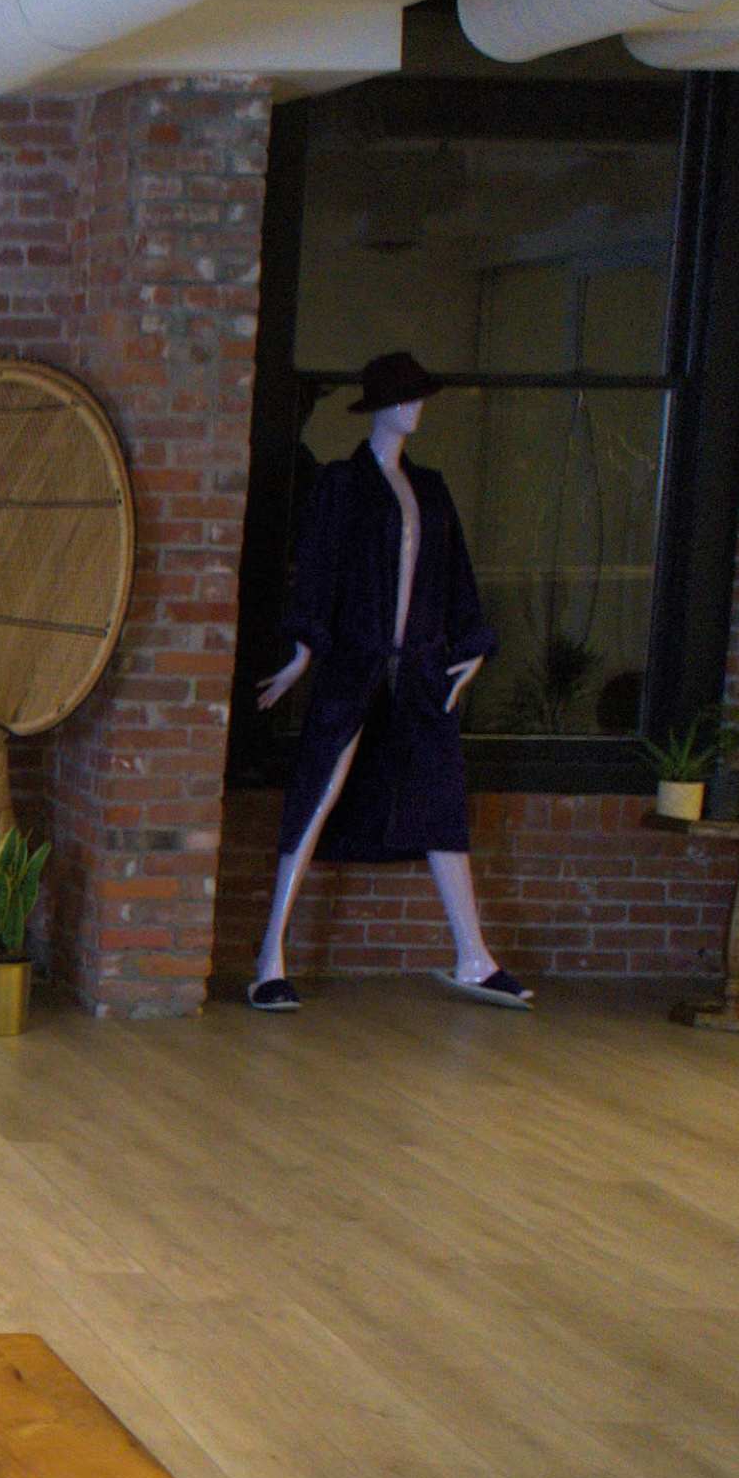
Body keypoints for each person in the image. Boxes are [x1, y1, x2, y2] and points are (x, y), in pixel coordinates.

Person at [244, 351, 529, 1013]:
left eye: (419, 398)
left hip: (421, 671)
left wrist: (472, 646)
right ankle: (268, 960)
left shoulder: (430, 489)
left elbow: (454, 572)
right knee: (317, 796)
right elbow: (319, 566)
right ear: (378, 408)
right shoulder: (343, 485)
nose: (415, 409)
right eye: (405, 399)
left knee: (441, 804)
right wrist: (302, 649)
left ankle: (474, 956)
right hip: (356, 666)